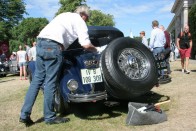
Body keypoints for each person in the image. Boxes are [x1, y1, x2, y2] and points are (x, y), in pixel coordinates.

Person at [19, 5, 103, 126]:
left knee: (36, 81)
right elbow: (85, 44)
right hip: (53, 47)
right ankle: (49, 117)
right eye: (87, 19)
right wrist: (97, 50)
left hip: (40, 43)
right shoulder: (79, 20)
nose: (86, 21)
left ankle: (24, 114)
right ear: (84, 15)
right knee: (50, 82)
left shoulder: (63, 15)